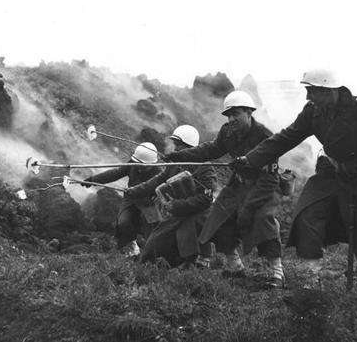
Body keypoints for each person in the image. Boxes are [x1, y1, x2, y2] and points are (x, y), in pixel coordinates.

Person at [238, 68, 357, 306]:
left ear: (329, 91)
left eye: (312, 91)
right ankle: (311, 282)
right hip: (332, 176)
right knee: (308, 215)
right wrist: (251, 158)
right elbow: (286, 137)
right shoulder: (314, 112)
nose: (308, 97)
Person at [164, 91, 285, 287]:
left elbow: (270, 176)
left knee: (262, 219)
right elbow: (210, 150)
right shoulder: (227, 132)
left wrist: (250, 206)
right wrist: (178, 156)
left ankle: (277, 273)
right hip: (238, 184)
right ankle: (236, 267)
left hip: (264, 185)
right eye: (228, 115)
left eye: (235, 113)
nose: (231, 119)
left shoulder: (264, 136)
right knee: (218, 218)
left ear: (249, 112)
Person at [125, 125, 216, 268]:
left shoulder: (204, 167)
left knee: (187, 235)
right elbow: (156, 181)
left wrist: (178, 205)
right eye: (176, 144)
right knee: (153, 246)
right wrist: (134, 191)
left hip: (198, 215)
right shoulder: (175, 164)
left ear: (190, 146)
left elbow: (206, 199)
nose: (176, 148)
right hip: (177, 214)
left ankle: (198, 262)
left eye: (179, 145)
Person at [82, 142, 161, 256]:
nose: (139, 167)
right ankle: (129, 250)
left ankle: (151, 255)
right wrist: (93, 179)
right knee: (123, 223)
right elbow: (116, 173)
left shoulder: (158, 173)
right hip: (131, 199)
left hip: (149, 203)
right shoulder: (133, 165)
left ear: (151, 165)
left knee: (151, 228)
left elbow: (152, 189)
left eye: (142, 166)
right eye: (137, 164)